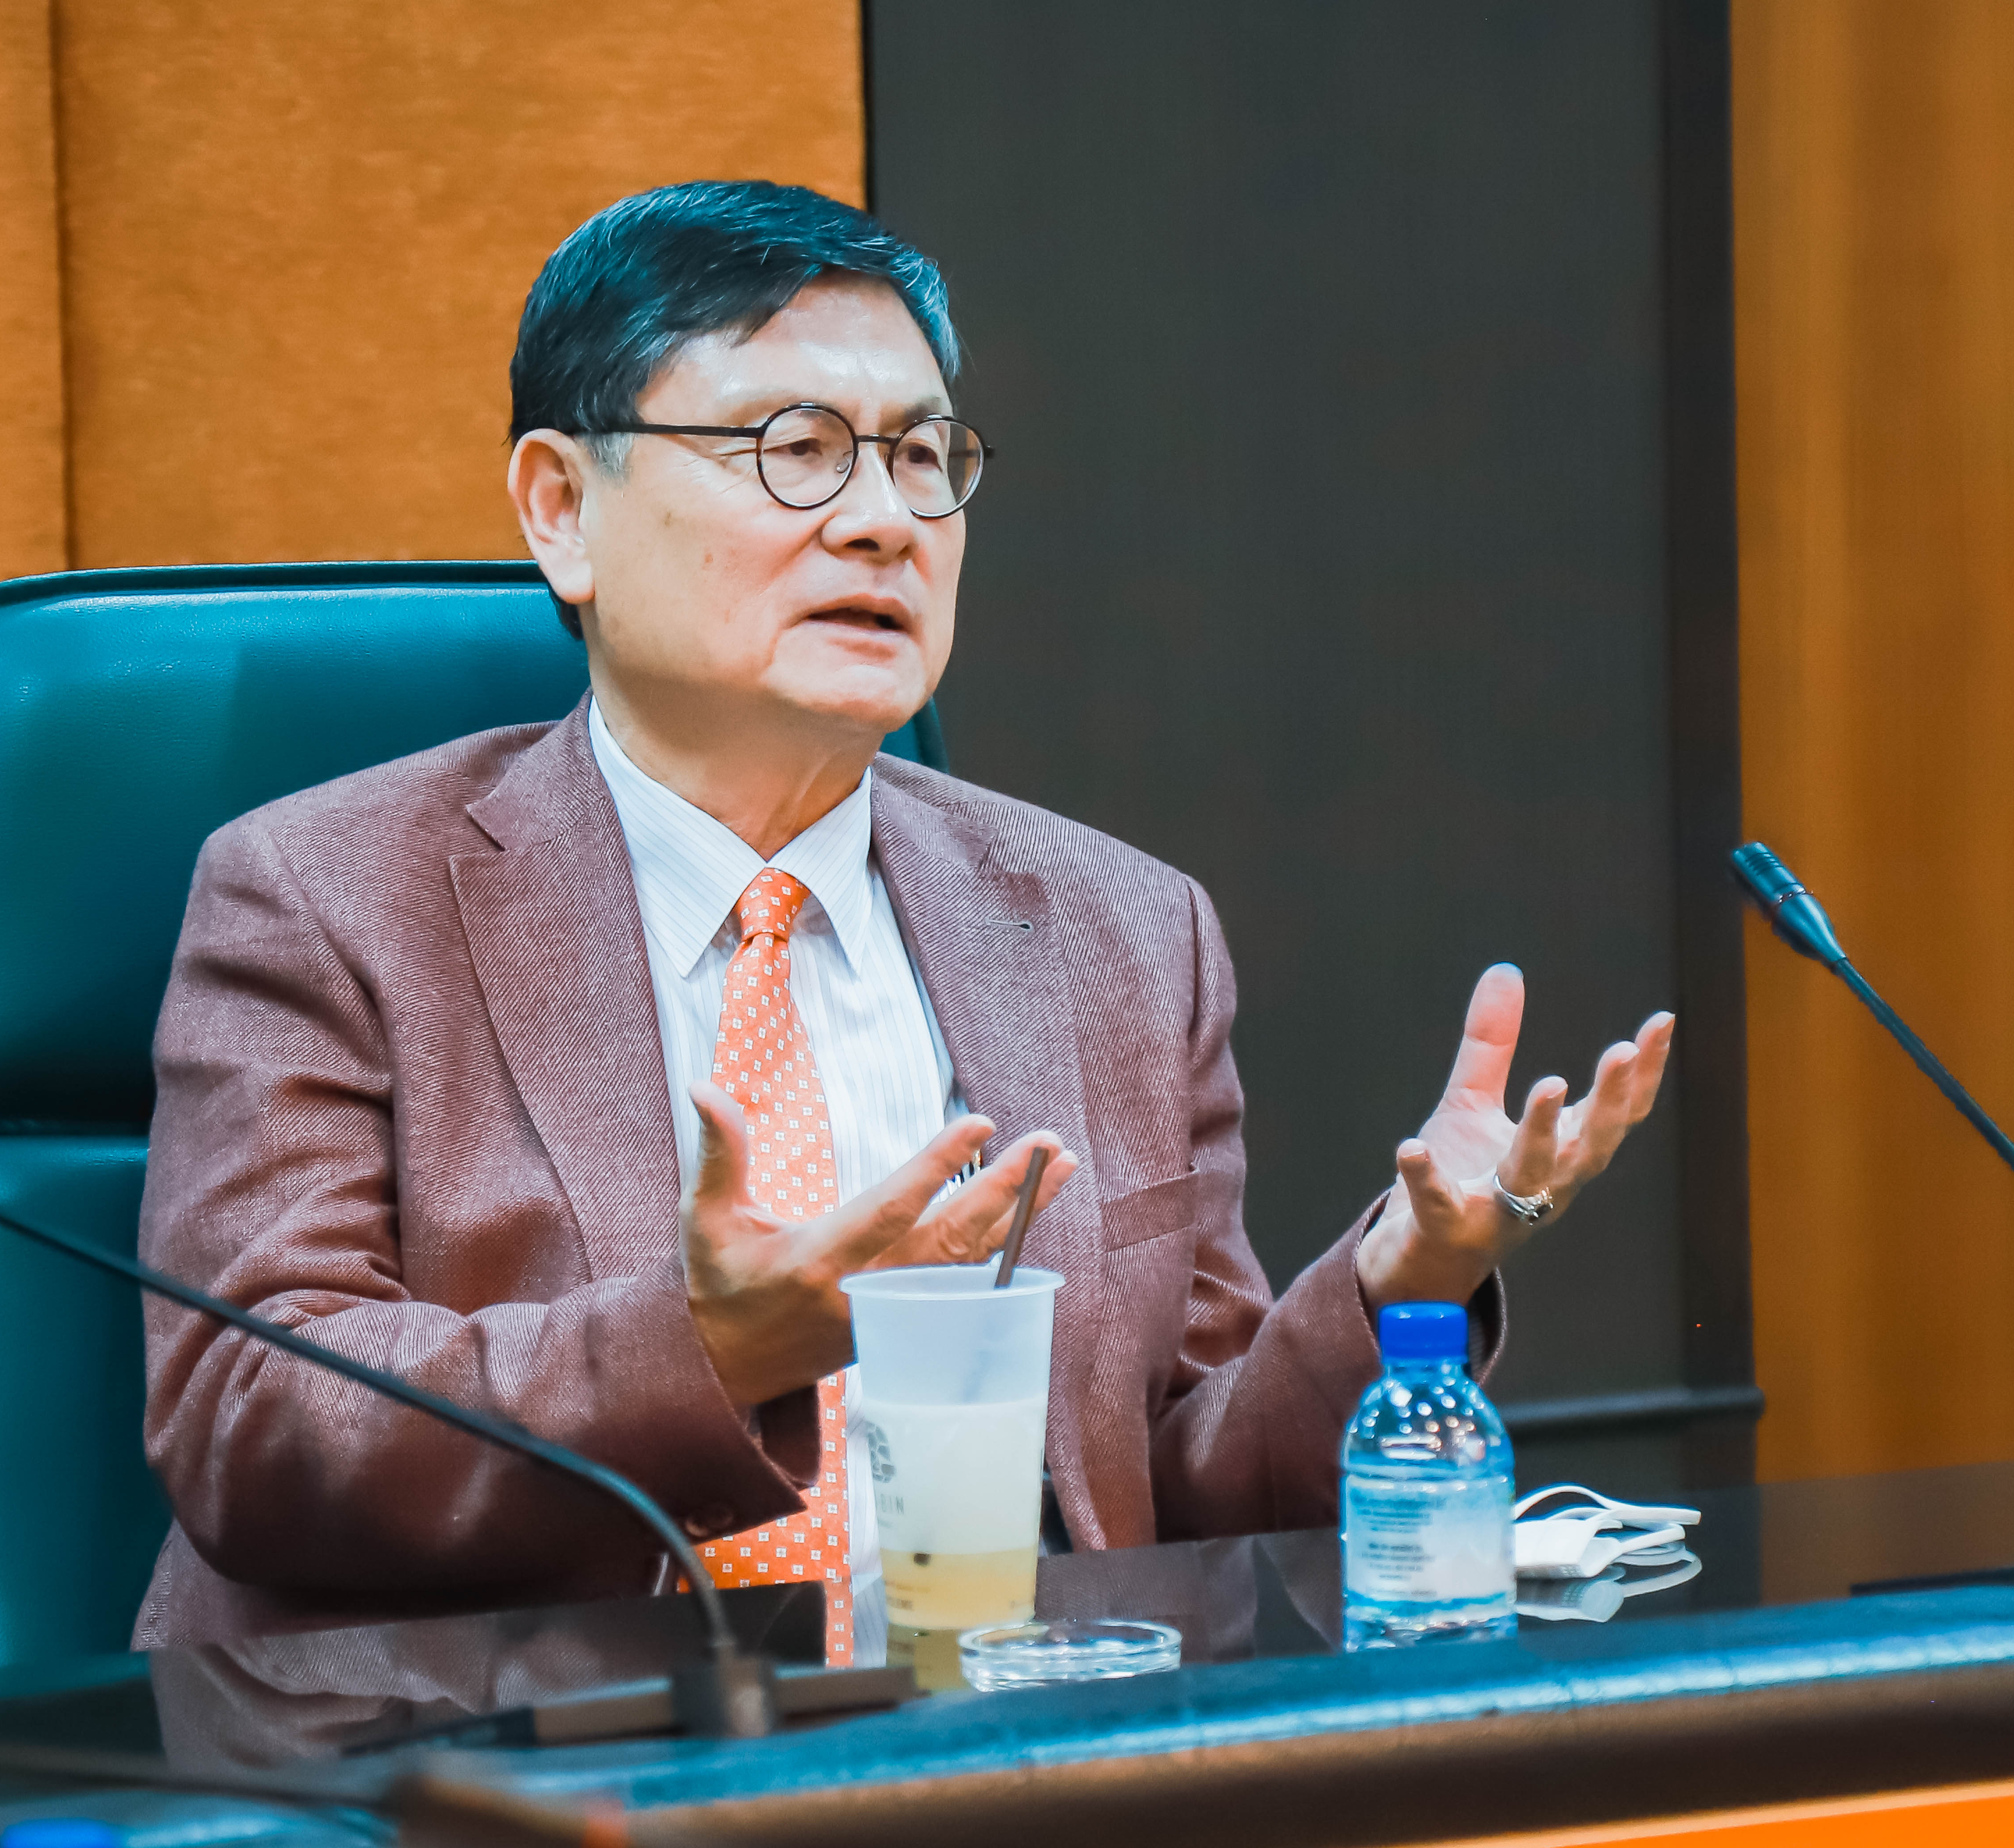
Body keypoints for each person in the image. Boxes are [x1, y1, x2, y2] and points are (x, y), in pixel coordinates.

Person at [132, 180, 1674, 1647]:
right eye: (796, 448)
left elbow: (1180, 1497)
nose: (885, 520)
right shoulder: (328, 898)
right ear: (562, 509)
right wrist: (712, 1350)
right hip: (522, 1760)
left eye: (925, 457)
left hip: (999, 1739)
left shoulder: (1122, 931)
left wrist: (1402, 1280)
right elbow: (250, 1421)